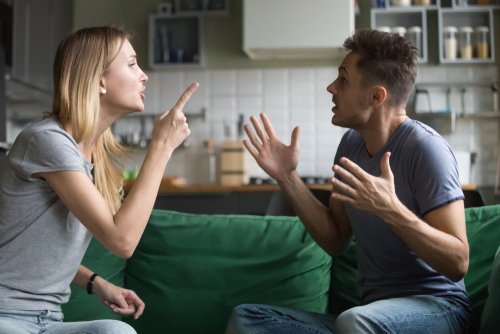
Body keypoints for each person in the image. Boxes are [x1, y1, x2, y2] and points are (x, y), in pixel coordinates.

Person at [225, 29, 471, 333]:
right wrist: (287, 177)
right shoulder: (350, 146)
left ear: (376, 96)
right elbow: (335, 238)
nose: (331, 88)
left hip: (439, 308)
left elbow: (458, 261)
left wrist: (391, 209)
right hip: (369, 318)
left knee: (354, 320)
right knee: (247, 318)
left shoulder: (426, 149)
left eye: (343, 80)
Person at [0, 26, 198, 334]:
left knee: (118, 332)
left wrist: (97, 283)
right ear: (99, 80)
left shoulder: (91, 156)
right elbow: (123, 242)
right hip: (6, 315)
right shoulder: (46, 140)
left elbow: (38, 252)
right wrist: (161, 148)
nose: (143, 75)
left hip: (48, 320)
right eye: (132, 64)